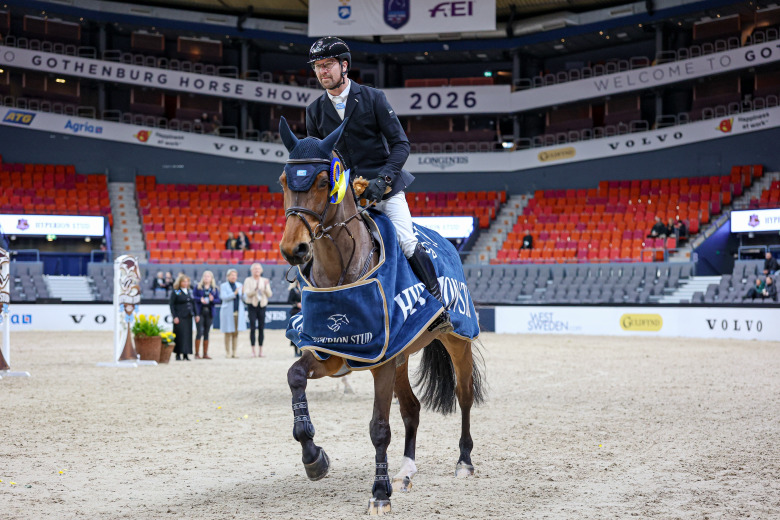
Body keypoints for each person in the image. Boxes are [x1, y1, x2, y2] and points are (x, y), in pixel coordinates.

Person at [305, 36, 450, 332]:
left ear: (344, 66)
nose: (322, 72)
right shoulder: (315, 111)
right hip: (344, 196)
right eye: (318, 67)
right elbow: (318, 160)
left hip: (384, 188)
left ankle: (438, 308)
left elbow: (401, 144)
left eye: (328, 65)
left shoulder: (373, 98)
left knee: (406, 242)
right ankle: (313, 311)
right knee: (315, 243)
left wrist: (383, 179)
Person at [243, 263, 273, 357]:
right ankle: (253, 350)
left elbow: (269, 294)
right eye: (255, 269)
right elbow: (247, 293)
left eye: (258, 269)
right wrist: (255, 290)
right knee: (252, 328)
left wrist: (264, 288)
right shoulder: (248, 280)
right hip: (251, 305)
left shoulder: (265, 280)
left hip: (262, 305)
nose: (257, 270)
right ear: (252, 270)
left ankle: (260, 350)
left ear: (261, 271)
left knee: (261, 328)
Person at [170, 274, 199, 361]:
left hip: (188, 316)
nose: (185, 283)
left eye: (187, 281)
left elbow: (193, 304)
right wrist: (175, 316)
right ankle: (178, 353)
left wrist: (196, 314)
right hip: (180, 316)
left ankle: (186, 353)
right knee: (179, 335)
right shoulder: (177, 291)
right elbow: (172, 304)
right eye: (184, 281)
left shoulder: (189, 291)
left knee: (188, 335)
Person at [193, 270, 221, 360]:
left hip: (209, 312)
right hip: (200, 311)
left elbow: (218, 300)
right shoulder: (198, 287)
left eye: (208, 276)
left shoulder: (214, 289)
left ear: (211, 278)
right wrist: (199, 299)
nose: (206, 278)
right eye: (205, 276)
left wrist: (212, 299)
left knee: (206, 332)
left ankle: (205, 353)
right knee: (199, 331)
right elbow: (193, 298)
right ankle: (197, 353)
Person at [219, 268, 247, 358]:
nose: (233, 277)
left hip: (237, 312)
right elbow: (223, 297)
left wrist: (243, 293)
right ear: (228, 276)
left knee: (235, 333)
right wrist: (234, 293)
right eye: (232, 275)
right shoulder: (223, 286)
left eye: (235, 275)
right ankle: (227, 352)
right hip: (227, 312)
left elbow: (245, 299)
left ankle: (234, 352)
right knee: (228, 332)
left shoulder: (239, 285)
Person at [288, 280, 302, 357]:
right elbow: (289, 301)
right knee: (295, 331)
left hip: (304, 313)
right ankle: (295, 351)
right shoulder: (293, 290)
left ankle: (301, 350)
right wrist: (297, 304)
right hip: (295, 312)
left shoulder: (305, 289)